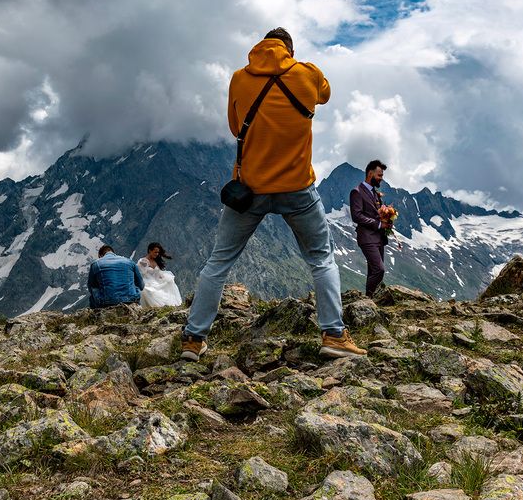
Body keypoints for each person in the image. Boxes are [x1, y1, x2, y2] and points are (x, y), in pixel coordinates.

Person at [180, 27, 367, 362]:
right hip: (297, 188)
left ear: (261, 46)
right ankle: (334, 335)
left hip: (250, 189)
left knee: (218, 263)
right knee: (321, 259)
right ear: (289, 50)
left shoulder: (239, 78)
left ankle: (193, 341)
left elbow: (236, 127)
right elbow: (325, 95)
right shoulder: (306, 73)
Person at [350, 159, 389, 299]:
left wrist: (387, 218)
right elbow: (357, 216)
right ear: (370, 174)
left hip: (379, 238)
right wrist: (378, 224)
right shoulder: (357, 192)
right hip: (367, 237)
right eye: (379, 175)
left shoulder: (376, 194)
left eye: (382, 175)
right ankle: (368, 299)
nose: (381, 179)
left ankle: (369, 301)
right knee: (379, 270)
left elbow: (378, 213)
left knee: (373, 271)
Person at [137, 242, 183, 307]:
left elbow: (158, 273)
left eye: (158, 252)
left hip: (155, 281)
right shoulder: (143, 261)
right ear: (150, 250)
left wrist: (162, 277)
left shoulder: (156, 261)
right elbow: (140, 273)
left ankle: (172, 304)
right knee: (149, 291)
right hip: (146, 281)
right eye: (155, 252)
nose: (157, 254)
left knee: (169, 282)